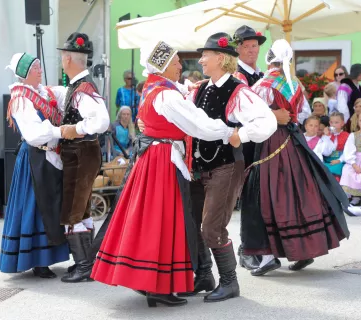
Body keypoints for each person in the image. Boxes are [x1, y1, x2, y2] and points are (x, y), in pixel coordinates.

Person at [90, 40, 242, 307]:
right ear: (162, 67)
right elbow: (197, 124)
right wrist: (229, 132)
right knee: (164, 220)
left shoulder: (152, 87)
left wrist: (196, 87)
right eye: (175, 63)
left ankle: (160, 282)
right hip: (163, 161)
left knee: (154, 219)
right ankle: (158, 285)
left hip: (153, 158)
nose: (180, 66)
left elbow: (182, 95)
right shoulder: (166, 95)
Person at [240, 40, 350, 277]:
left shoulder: (263, 84)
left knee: (269, 196)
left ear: (269, 59)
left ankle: (268, 255)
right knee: (298, 193)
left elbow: (252, 115)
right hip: (293, 142)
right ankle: (303, 250)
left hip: (269, 142)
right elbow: (302, 114)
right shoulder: (295, 84)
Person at [181, 32, 277, 301]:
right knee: (195, 222)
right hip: (198, 167)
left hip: (226, 166)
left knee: (212, 227)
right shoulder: (200, 88)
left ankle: (230, 282)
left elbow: (267, 121)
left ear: (220, 58)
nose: (200, 60)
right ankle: (203, 275)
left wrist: (242, 135)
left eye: (205, 55)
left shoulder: (238, 91)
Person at [0, 53, 69, 278]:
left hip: (48, 156)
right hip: (34, 159)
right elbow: (34, 134)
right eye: (35, 68)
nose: (40, 71)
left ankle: (46, 257)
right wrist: (60, 131)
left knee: (49, 204)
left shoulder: (42, 92)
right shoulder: (20, 98)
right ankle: (37, 260)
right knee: (37, 206)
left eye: (39, 67)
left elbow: (66, 93)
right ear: (25, 74)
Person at [57, 33, 110, 283]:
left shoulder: (82, 88)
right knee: (83, 208)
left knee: (74, 209)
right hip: (82, 153)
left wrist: (75, 129)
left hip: (80, 153)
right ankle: (87, 262)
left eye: (62, 56)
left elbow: (102, 121)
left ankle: (84, 265)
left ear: (68, 59)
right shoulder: (79, 85)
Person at [232, 25, 268, 269]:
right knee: (249, 196)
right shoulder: (237, 77)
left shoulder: (262, 75)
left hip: (263, 140)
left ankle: (260, 246)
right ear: (238, 49)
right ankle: (246, 248)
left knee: (262, 195)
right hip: (245, 142)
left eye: (254, 45)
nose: (251, 50)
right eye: (246, 46)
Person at [323, 112, 350, 182]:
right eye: (331, 122)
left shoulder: (347, 136)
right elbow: (324, 151)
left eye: (336, 122)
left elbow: (348, 151)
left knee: (337, 169)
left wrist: (339, 160)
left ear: (342, 123)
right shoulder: (326, 135)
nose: (333, 125)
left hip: (340, 160)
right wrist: (326, 136)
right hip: (327, 159)